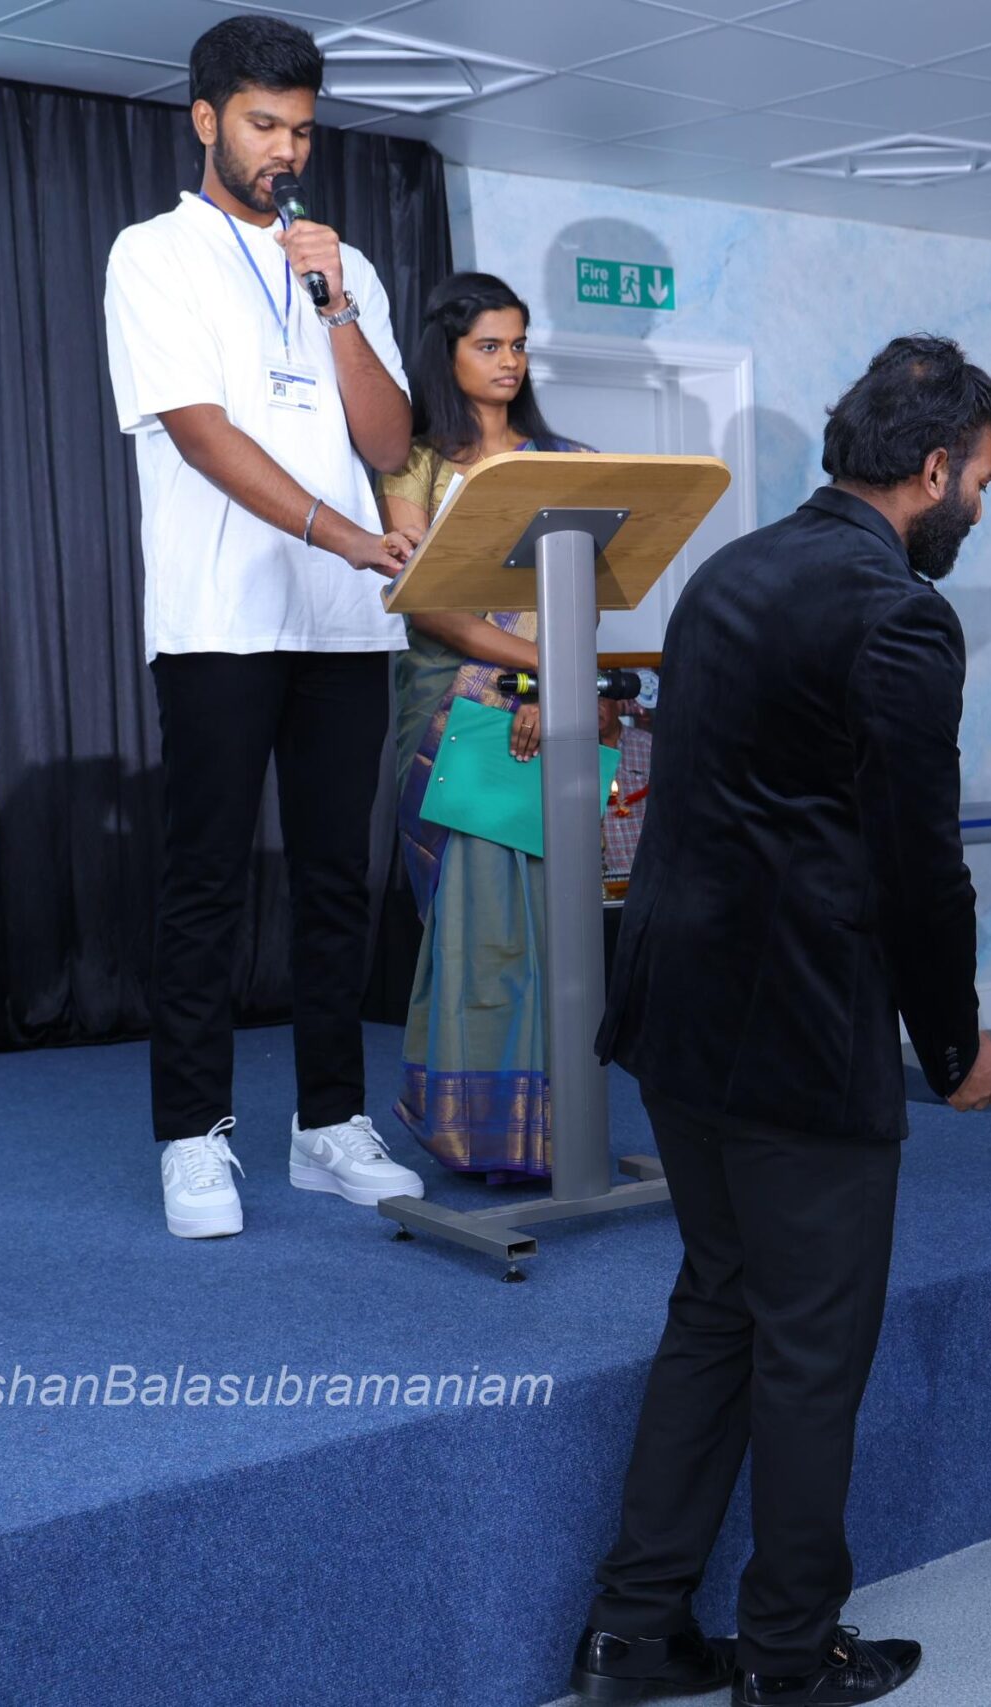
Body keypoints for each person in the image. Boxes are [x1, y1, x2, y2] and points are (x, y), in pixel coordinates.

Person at [566, 336, 991, 1707]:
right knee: (813, 1354)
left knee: (718, 1308)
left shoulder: (729, 571)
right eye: (982, 480)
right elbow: (919, 867)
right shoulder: (899, 615)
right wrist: (956, 1045)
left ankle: (634, 1632)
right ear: (933, 469)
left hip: (676, 1016)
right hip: (799, 1034)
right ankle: (785, 1652)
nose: (981, 504)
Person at [103, 16, 426, 1239]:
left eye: (301, 128)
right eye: (261, 124)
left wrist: (337, 307)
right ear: (206, 121)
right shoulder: (153, 255)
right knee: (207, 880)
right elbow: (201, 433)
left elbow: (388, 441)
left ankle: (328, 1124)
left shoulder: (344, 266)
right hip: (220, 617)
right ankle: (194, 1136)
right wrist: (342, 535)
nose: (284, 149)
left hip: (344, 624)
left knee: (338, 880)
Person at [376, 272, 600, 1181]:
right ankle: (477, 1132)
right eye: (489, 345)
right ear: (449, 352)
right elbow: (425, 601)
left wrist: (553, 688)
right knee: (476, 921)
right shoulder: (415, 464)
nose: (511, 362)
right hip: (454, 706)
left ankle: (561, 1128)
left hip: (552, 706)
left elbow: (582, 598)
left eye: (519, 344)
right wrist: (541, 668)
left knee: (555, 915)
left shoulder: (568, 460)